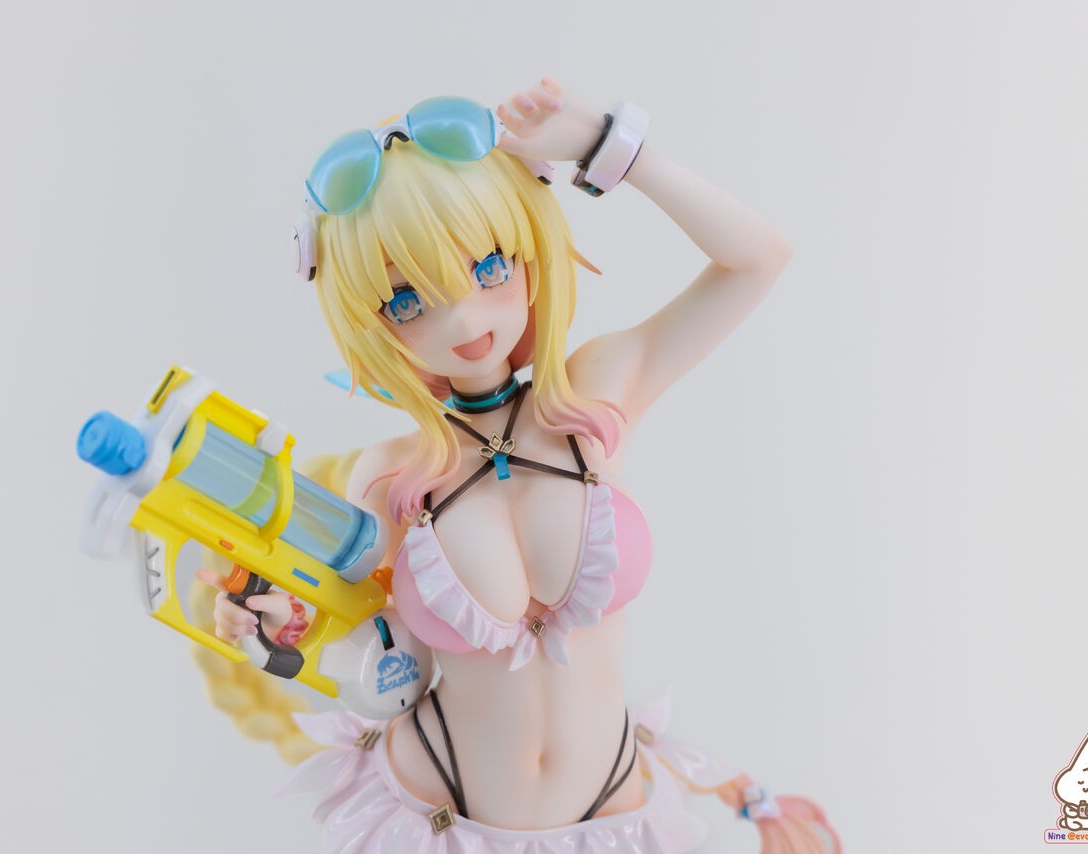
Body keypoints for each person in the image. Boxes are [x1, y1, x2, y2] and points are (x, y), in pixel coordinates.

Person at [198, 77, 840, 853]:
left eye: (490, 267)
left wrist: (607, 145)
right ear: (372, 325)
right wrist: (279, 627)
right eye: (408, 301)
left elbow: (758, 260)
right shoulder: (393, 474)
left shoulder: (597, 394)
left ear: (529, 251)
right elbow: (383, 656)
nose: (465, 316)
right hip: (439, 815)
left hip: (613, 816)